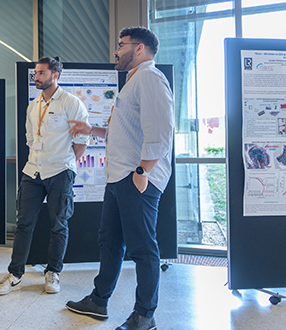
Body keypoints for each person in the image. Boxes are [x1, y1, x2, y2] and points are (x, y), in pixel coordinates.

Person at [65, 26, 174, 330]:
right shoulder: (132, 81)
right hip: (119, 177)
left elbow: (163, 131)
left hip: (135, 177)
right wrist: (92, 131)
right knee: (109, 241)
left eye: (121, 45)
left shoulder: (150, 78)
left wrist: (143, 172)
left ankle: (144, 315)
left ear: (139, 48)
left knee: (142, 248)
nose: (115, 50)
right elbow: (126, 131)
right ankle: (99, 300)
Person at [0, 56, 89, 296]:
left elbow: (82, 141)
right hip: (33, 170)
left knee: (59, 224)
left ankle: (53, 272)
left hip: (59, 171)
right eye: (35, 73)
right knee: (24, 224)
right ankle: (15, 274)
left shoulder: (71, 103)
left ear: (55, 75)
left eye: (42, 73)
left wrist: (65, 163)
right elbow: (29, 139)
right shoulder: (33, 105)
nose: (36, 77)